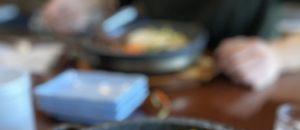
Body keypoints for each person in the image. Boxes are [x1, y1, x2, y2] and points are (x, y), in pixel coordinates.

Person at [40, 0, 300, 89]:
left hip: (238, 84)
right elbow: (110, 6)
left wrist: (278, 56)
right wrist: (82, 8)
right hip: (137, 81)